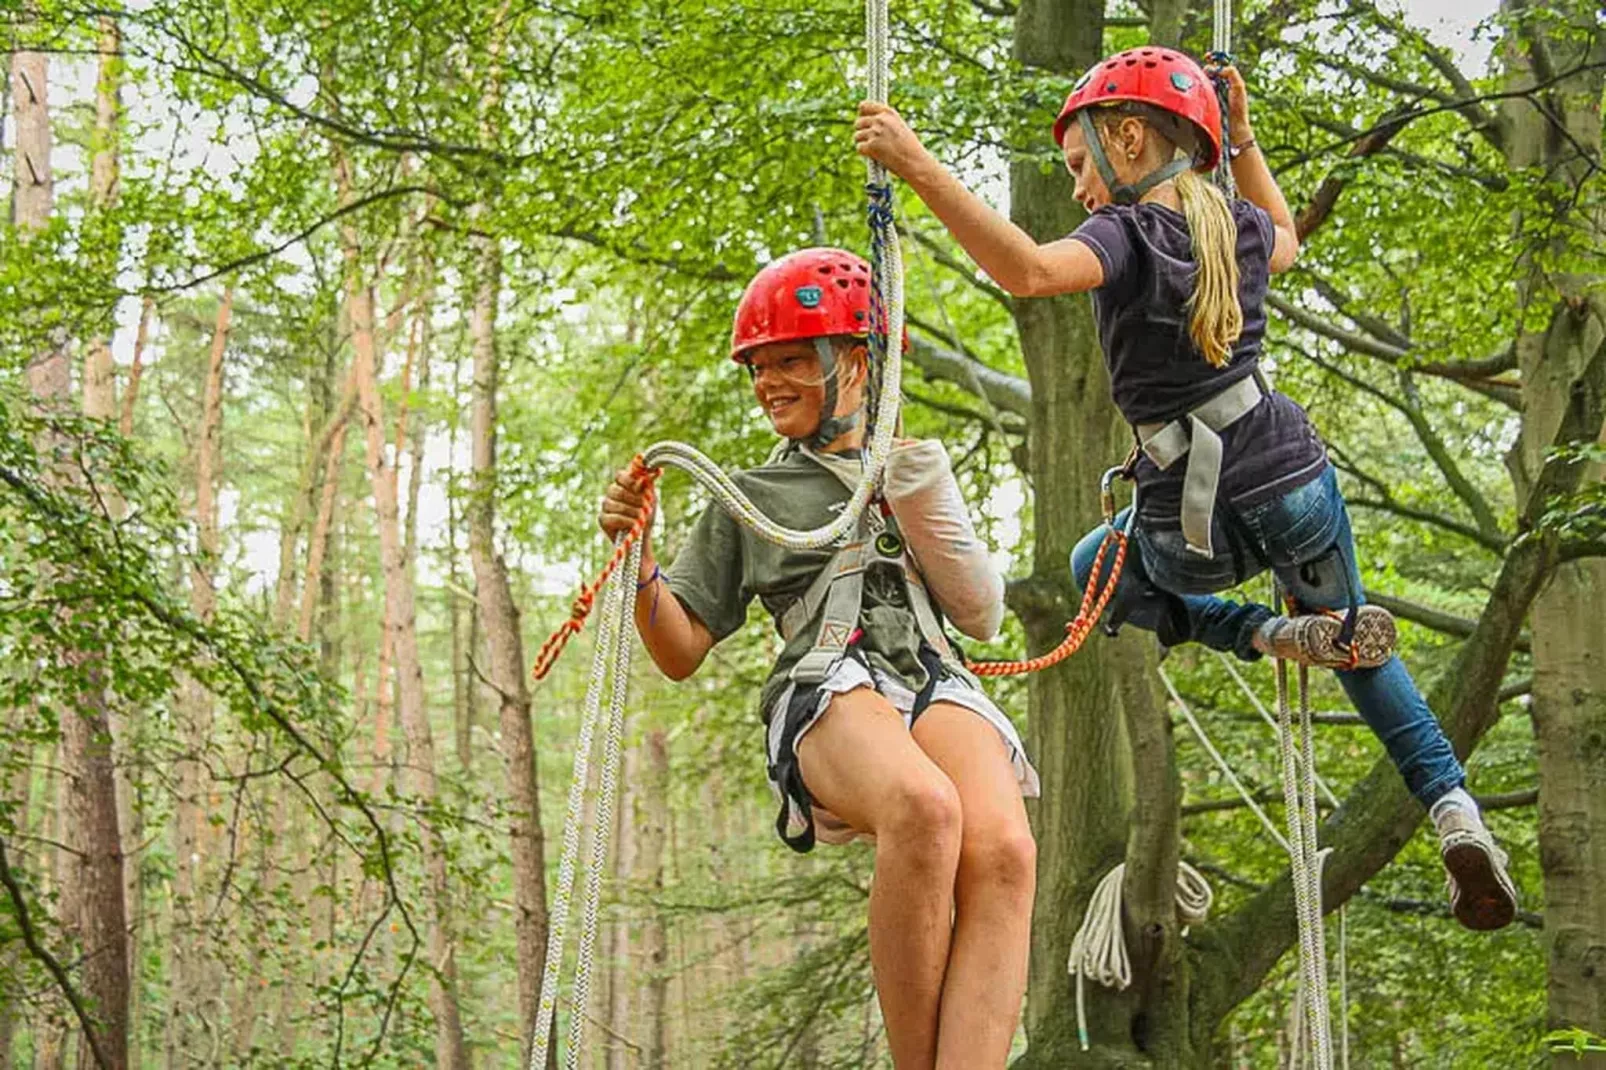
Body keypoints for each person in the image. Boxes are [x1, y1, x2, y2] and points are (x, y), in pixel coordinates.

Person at [852, 48, 1516, 931]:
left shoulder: (1126, 237)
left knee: (1098, 565)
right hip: (1293, 487)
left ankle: (1269, 633)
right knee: (1364, 649)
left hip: (1187, 530)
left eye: (1084, 167)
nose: (1082, 191)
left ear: (1129, 140)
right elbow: (1287, 234)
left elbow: (1027, 271)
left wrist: (915, 162)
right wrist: (1242, 139)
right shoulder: (1232, 224)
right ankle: (1454, 811)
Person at [598, 247, 1041, 1067]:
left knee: (1007, 852)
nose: (769, 384)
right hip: (828, 684)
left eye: (794, 360)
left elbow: (977, 608)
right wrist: (640, 559)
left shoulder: (909, 475)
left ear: (858, 363)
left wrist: (903, 480)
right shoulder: (750, 496)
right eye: (760, 368)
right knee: (924, 808)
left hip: (931, 677)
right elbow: (680, 648)